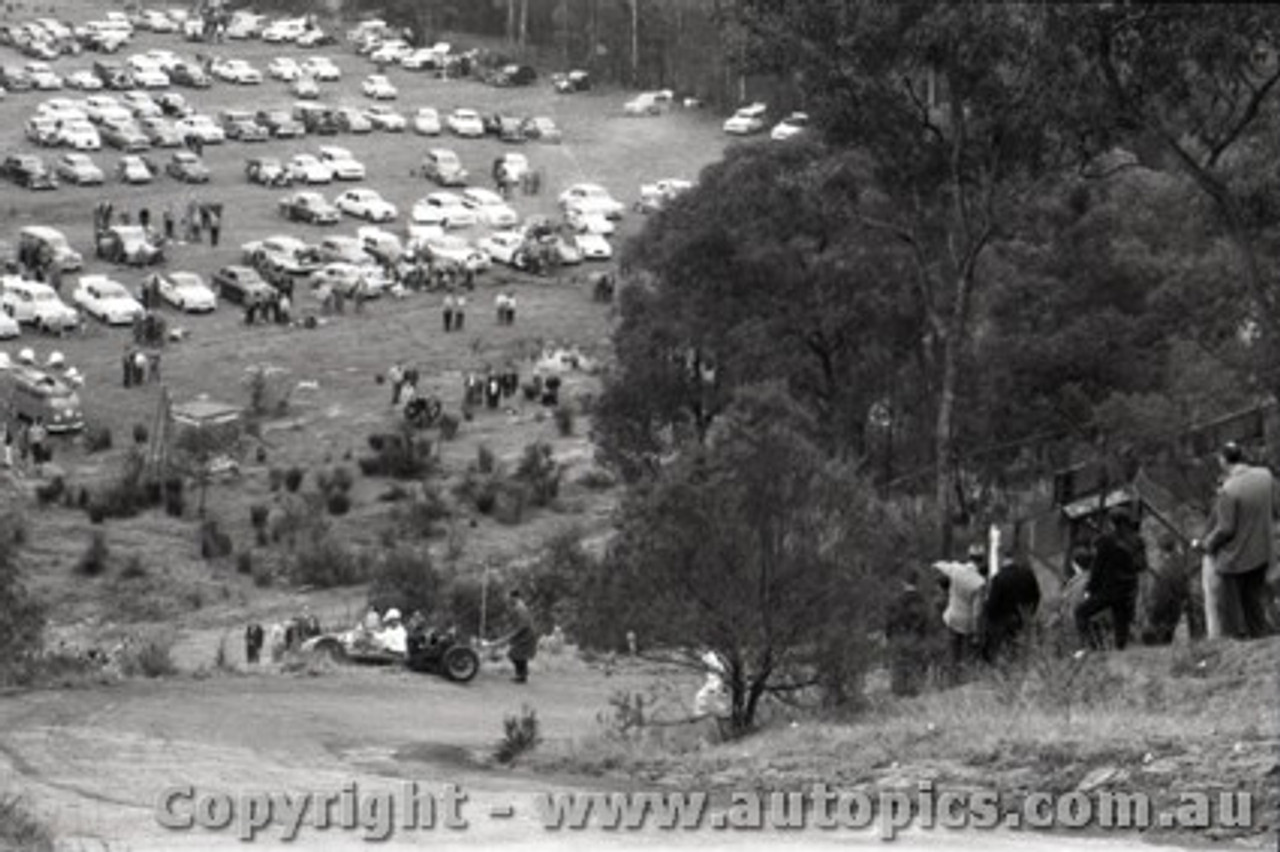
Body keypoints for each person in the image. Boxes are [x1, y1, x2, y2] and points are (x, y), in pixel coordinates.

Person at [1194, 442, 1277, 639]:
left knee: (1231, 610)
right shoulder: (1265, 476)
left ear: (1223, 461)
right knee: (1254, 603)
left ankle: (1237, 644)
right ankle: (1260, 640)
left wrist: (1205, 544)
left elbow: (1225, 528)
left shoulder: (1228, 490)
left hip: (1236, 560)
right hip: (1264, 551)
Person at [1075, 510, 1145, 650]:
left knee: (1081, 612)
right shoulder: (1138, 540)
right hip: (1129, 590)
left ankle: (1093, 647)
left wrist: (1089, 589)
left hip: (1109, 590)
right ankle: (1120, 651)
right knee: (1121, 624)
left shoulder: (1107, 541)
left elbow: (1097, 568)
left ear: (1112, 523)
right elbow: (1142, 565)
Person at [933, 544, 987, 679]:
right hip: (967, 623)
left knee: (952, 654)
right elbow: (977, 611)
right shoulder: (980, 583)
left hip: (952, 618)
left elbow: (940, 566)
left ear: (969, 556)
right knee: (965, 656)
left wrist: (935, 565)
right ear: (982, 559)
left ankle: (951, 681)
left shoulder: (956, 569)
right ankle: (962, 682)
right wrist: (976, 631)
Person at [981, 552, 1041, 662]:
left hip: (1003, 619)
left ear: (1002, 561)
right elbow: (1037, 595)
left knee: (1001, 648)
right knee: (1019, 645)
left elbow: (993, 603)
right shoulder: (1028, 574)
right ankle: (1018, 666)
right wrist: (1031, 612)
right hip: (1022, 616)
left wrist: (988, 615)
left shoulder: (999, 578)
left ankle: (1000, 667)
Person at [885, 568, 932, 696]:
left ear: (903, 582)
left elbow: (890, 621)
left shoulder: (896, 600)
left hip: (899, 636)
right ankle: (913, 693)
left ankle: (899, 693)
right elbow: (925, 620)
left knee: (898, 666)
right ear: (917, 582)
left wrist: (889, 635)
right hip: (915, 636)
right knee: (915, 665)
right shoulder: (922, 600)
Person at [498, 590, 537, 683]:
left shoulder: (520, 608)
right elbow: (516, 623)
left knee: (516, 654)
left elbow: (523, 624)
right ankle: (521, 675)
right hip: (523, 634)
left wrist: (513, 634)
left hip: (526, 635)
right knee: (518, 654)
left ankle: (521, 676)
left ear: (514, 597)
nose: (509, 599)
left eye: (510, 597)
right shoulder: (518, 607)